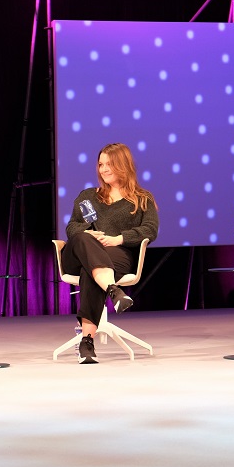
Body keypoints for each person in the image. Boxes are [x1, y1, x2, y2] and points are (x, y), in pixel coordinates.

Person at [62, 143, 159, 364]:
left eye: (109, 164)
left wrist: (119, 239)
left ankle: (86, 341)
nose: (103, 169)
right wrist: (89, 234)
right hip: (78, 253)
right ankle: (113, 291)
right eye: (101, 164)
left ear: (124, 165)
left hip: (117, 255)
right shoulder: (88, 196)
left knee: (91, 271)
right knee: (83, 239)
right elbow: (72, 227)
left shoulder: (142, 198)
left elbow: (150, 230)